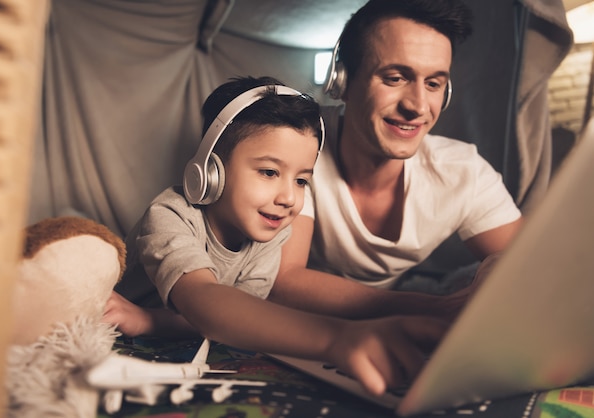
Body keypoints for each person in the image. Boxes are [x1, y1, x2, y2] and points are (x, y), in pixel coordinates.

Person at [104, 76, 449, 395]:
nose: (289, 198)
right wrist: (336, 337)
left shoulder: (272, 235)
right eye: (269, 172)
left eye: (301, 180)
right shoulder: (170, 215)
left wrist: (149, 321)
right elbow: (204, 301)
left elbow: (226, 320)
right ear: (210, 172)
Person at [267, 0, 523, 319]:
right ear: (342, 82)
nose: (417, 106)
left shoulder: (463, 171)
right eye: (395, 78)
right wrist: (431, 307)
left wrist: (497, 273)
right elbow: (284, 281)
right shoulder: (299, 144)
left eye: (433, 84)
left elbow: (533, 269)